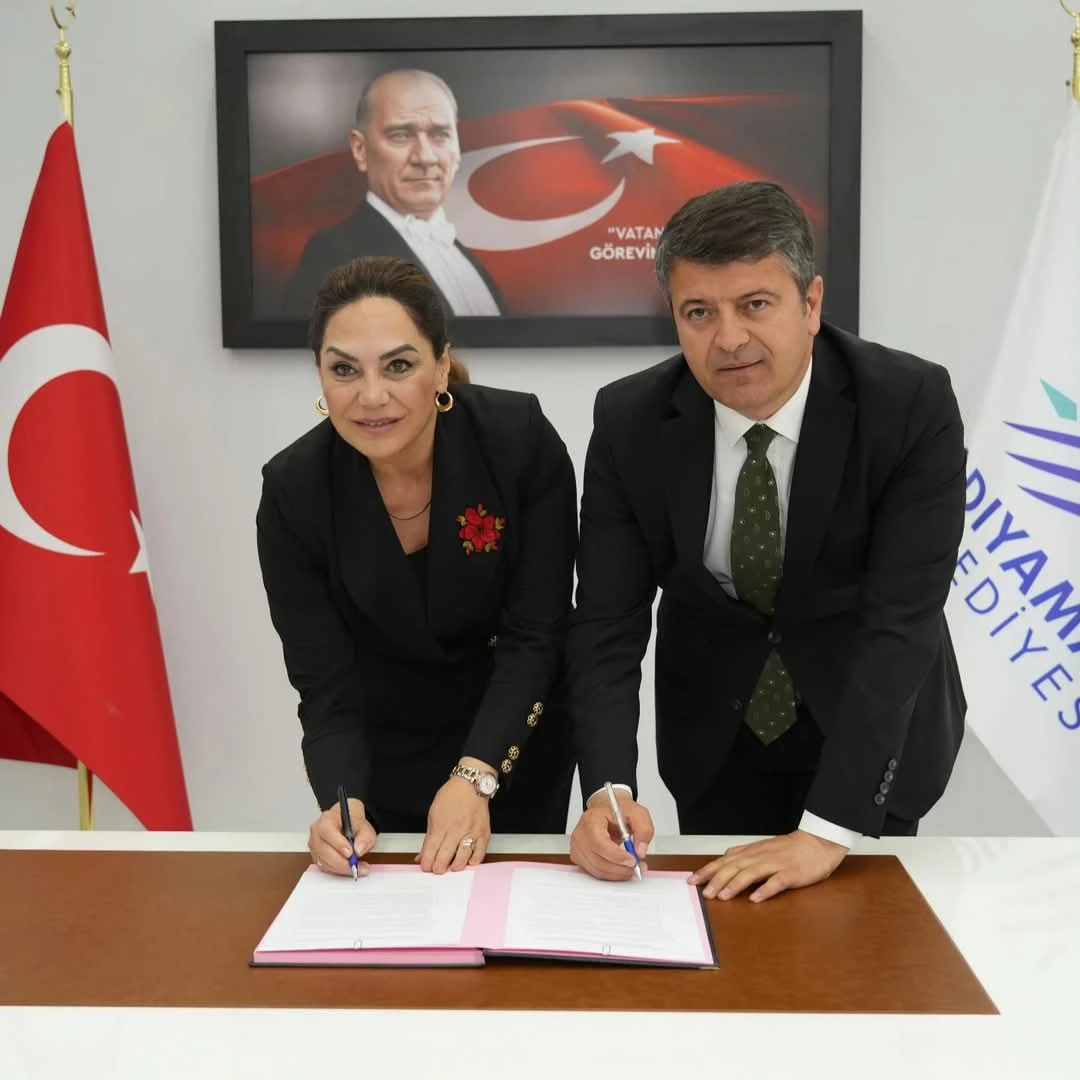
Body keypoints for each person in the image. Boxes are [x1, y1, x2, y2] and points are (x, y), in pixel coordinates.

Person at [565, 181, 967, 902]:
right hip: (717, 737)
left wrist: (828, 830)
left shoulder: (908, 405)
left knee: (868, 942)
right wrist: (608, 789)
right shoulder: (630, 420)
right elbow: (606, 623)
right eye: (699, 312)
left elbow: (902, 621)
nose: (728, 339)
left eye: (755, 304)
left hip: (867, 727)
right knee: (730, 936)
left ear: (810, 304)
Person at [257, 255, 575, 876]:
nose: (371, 396)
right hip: (382, 751)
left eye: (399, 365)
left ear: (441, 365)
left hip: (510, 732)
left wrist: (476, 775)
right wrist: (342, 802)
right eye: (344, 369)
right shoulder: (294, 491)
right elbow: (325, 686)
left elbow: (536, 633)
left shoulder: (517, 440)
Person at [282, 69, 505, 318]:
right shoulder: (332, 257)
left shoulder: (466, 259)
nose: (425, 157)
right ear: (360, 150)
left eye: (440, 135)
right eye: (401, 136)